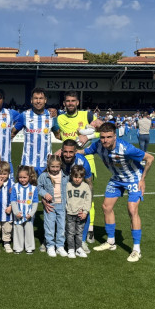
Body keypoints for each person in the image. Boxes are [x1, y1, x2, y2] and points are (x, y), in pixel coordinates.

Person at [79, 121, 153, 263]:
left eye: (108, 137)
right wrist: (64, 151)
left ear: (115, 136)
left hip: (133, 179)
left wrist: (142, 180)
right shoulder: (98, 145)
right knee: (106, 207)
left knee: (132, 210)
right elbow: (83, 151)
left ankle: (136, 250)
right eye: (102, 137)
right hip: (117, 179)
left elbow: (150, 158)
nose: (105, 140)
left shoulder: (126, 149)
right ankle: (111, 242)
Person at [52, 91, 98, 242]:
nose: (70, 103)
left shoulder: (88, 115)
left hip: (86, 161)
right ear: (64, 103)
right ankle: (70, 229)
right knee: (69, 197)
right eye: (68, 101)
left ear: (78, 102)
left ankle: (89, 229)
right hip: (68, 163)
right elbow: (60, 136)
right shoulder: (60, 118)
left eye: (73, 101)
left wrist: (88, 136)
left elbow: (101, 132)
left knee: (87, 196)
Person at [58, 139, 94, 251]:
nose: (68, 155)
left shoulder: (82, 162)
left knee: (83, 212)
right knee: (59, 213)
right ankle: (57, 240)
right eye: (65, 152)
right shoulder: (57, 159)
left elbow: (89, 183)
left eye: (71, 152)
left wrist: (88, 203)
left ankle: (82, 241)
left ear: (76, 152)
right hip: (62, 187)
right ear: (61, 151)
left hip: (78, 189)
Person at [14, 87, 54, 175]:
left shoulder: (51, 116)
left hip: (46, 164)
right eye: (36, 98)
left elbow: (59, 134)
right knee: (27, 188)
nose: (38, 101)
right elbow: (12, 133)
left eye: (41, 98)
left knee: (45, 188)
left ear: (45, 100)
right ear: (31, 100)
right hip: (28, 164)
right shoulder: (24, 115)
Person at [36, 154, 67, 257]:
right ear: (48, 166)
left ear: (60, 166)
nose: (55, 169)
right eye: (52, 167)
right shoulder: (44, 176)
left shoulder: (65, 176)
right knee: (49, 227)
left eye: (57, 166)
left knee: (61, 227)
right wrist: (44, 194)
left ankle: (60, 246)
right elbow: (38, 187)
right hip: (50, 206)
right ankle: (50, 246)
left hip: (62, 206)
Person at [9, 165, 38, 255]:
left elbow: (35, 202)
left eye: (25, 177)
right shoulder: (15, 187)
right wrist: (16, 212)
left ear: (29, 177)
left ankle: (29, 247)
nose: (22, 179)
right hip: (18, 215)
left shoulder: (33, 188)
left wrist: (32, 213)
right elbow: (13, 201)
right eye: (20, 177)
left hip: (28, 215)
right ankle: (18, 247)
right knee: (18, 230)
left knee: (29, 231)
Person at [65, 165, 92, 259]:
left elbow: (88, 200)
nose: (77, 179)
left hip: (81, 214)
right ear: (71, 176)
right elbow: (64, 199)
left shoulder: (85, 187)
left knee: (79, 233)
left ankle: (79, 248)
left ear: (83, 177)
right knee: (70, 232)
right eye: (75, 177)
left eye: (80, 177)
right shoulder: (68, 185)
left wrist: (85, 212)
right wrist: (66, 209)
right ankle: (71, 249)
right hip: (70, 213)